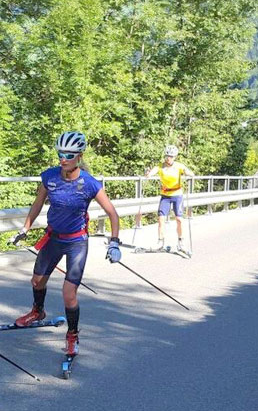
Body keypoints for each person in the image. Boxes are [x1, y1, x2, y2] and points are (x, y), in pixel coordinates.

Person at [11, 131, 121, 357]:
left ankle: (72, 335)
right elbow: (37, 204)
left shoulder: (90, 184)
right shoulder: (49, 177)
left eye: (69, 155)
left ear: (79, 156)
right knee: (36, 280)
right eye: (60, 153)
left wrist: (114, 243)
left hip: (76, 243)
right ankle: (37, 312)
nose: (63, 158)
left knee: (68, 293)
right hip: (53, 238)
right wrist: (25, 228)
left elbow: (112, 213)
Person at [144, 145, 195, 251]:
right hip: (165, 196)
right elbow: (151, 174)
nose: (168, 158)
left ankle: (181, 241)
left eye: (171, 156)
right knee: (161, 219)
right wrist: (148, 174)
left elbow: (190, 172)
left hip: (177, 195)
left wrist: (189, 174)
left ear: (175, 157)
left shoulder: (179, 166)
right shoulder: (160, 166)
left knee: (179, 219)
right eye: (167, 156)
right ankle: (160, 242)